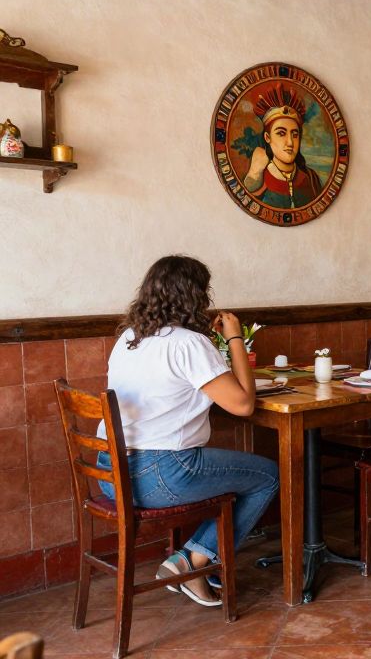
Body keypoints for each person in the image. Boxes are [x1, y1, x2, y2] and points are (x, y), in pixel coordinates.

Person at [98, 256, 280, 607]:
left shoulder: (129, 338)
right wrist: (235, 338)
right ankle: (191, 563)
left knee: (243, 472)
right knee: (267, 475)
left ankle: (194, 562)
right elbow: (244, 405)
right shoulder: (188, 343)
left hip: (112, 473)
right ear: (194, 296)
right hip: (159, 477)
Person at [243, 84, 323, 209]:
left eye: (295, 134)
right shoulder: (258, 181)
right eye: (281, 133)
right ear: (267, 138)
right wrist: (254, 176)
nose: (290, 142)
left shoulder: (311, 180)